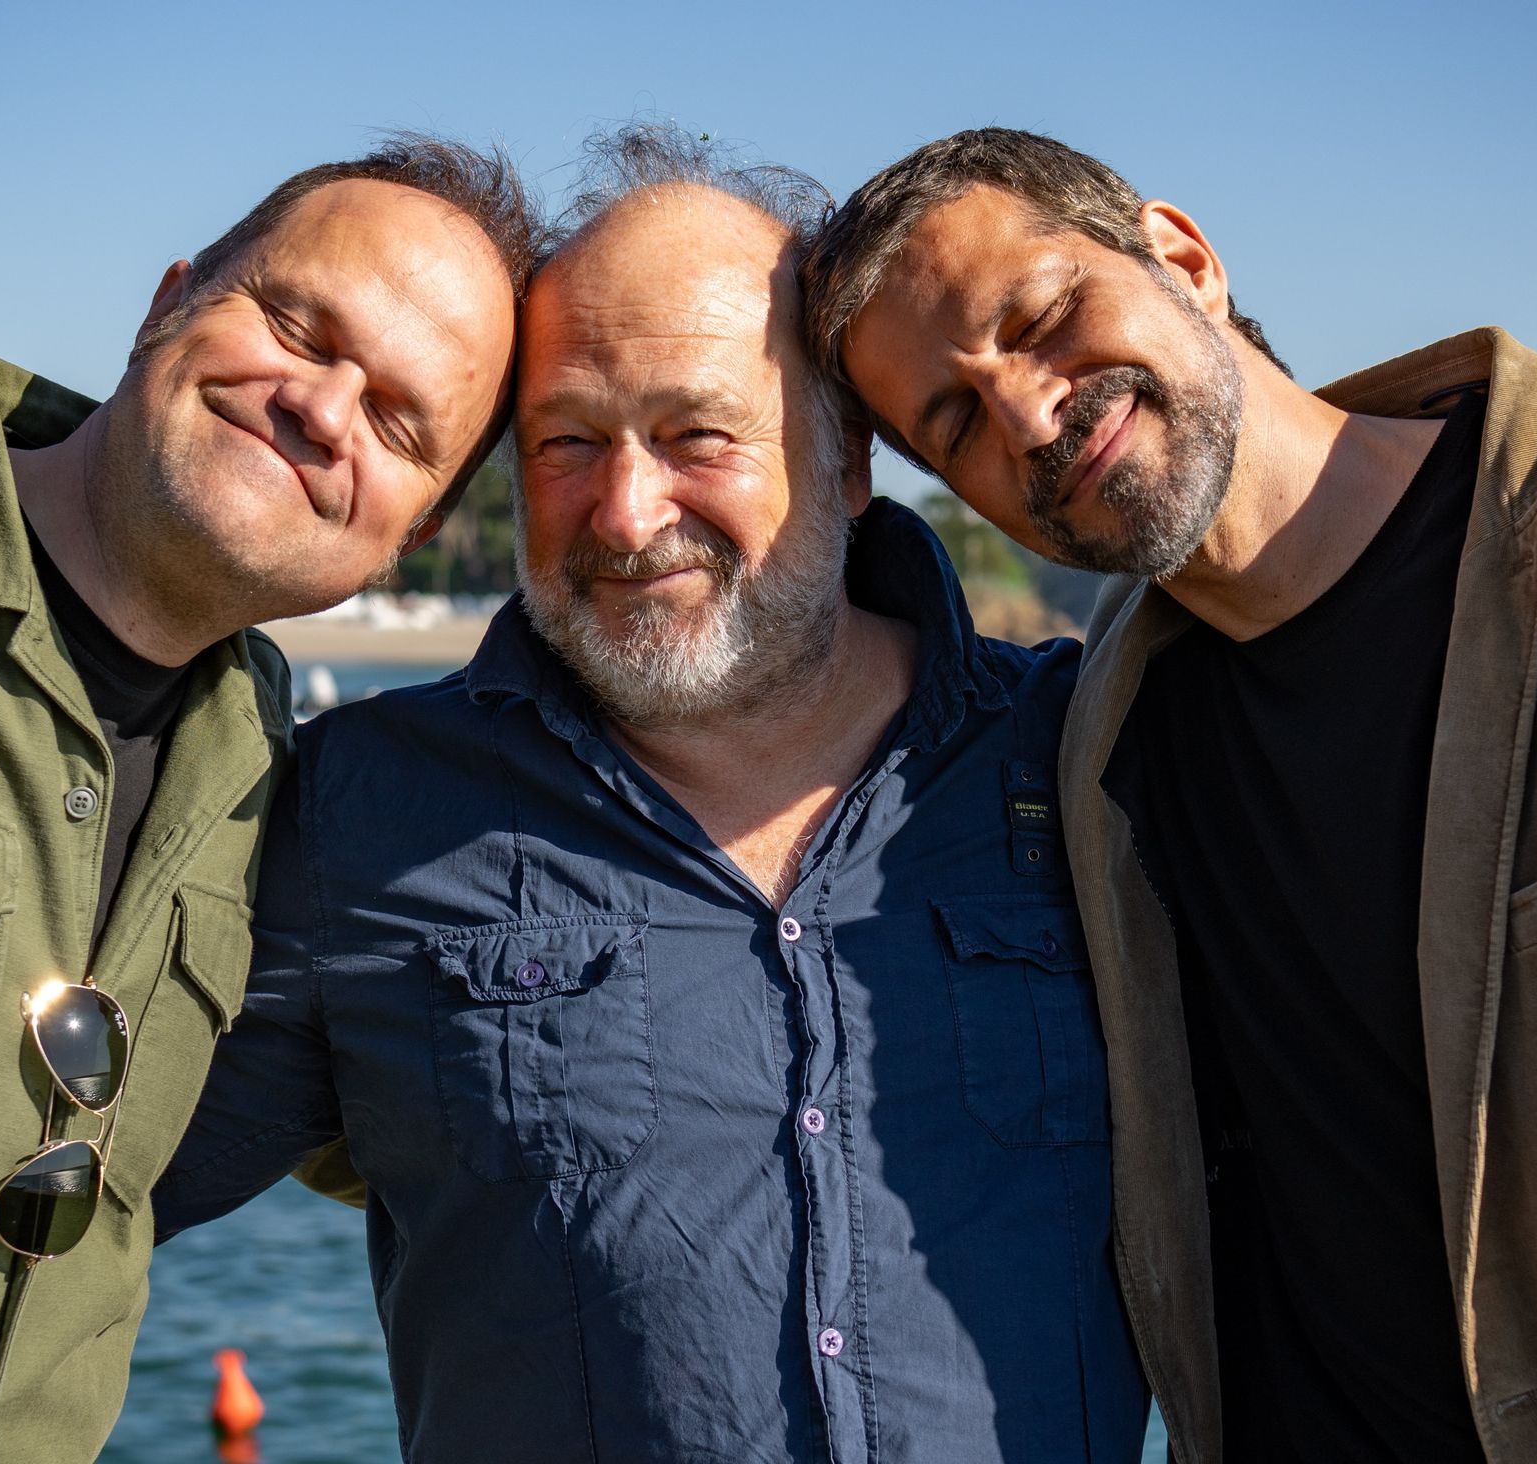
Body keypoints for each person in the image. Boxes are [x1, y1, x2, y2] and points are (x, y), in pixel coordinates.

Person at [153, 125, 1148, 1464]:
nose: (625, 515)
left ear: (845, 460)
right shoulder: (361, 815)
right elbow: (84, 1202)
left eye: (697, 435)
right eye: (568, 443)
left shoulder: (1080, 759)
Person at [798, 126, 1537, 1463]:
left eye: (1045, 317)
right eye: (953, 422)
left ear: (1183, 258)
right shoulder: (1090, 738)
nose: (1027, 414)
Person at [0, 138, 535, 1464]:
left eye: (402, 420)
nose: (322, 407)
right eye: (297, 324)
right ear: (168, 303)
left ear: (414, 530)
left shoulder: (287, 800)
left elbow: (495, 1107)